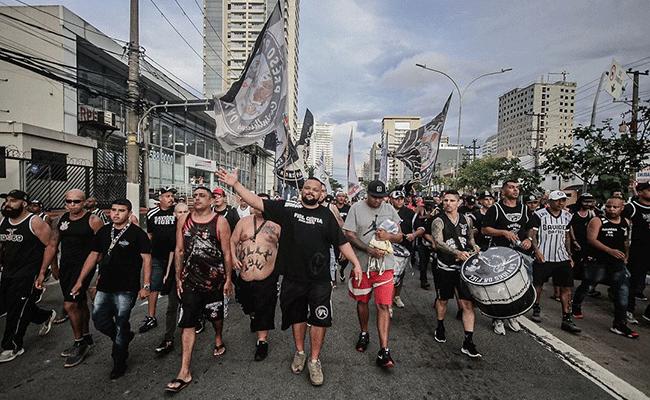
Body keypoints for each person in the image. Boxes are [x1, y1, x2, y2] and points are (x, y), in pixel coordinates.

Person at [217, 169, 362, 386]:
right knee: (297, 316)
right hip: (294, 279)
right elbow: (256, 201)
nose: (311, 192)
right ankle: (300, 352)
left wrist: (356, 264)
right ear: (301, 191)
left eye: (315, 189)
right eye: (307, 188)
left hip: (320, 281)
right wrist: (235, 184)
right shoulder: (287, 209)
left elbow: (341, 242)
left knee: (319, 319)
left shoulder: (327, 216)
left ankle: (314, 360)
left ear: (322, 194)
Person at [71, 198, 152, 379]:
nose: (116, 213)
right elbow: (93, 255)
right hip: (104, 286)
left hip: (127, 288)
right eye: (113, 210)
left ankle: (119, 361)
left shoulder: (137, 234)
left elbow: (147, 259)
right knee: (99, 321)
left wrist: (146, 286)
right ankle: (123, 335)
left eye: (121, 210)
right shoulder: (103, 231)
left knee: (121, 322)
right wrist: (80, 281)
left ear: (129, 213)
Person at [165, 187, 233, 393]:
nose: (197, 198)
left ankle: (218, 336)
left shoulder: (220, 221)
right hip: (190, 281)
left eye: (202, 195)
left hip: (214, 281)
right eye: (194, 196)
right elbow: (179, 250)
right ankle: (184, 371)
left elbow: (227, 253)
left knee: (215, 317)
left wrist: (229, 279)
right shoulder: (183, 220)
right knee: (188, 323)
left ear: (212, 200)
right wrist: (178, 278)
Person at [344, 180, 402, 368]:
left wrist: (389, 237)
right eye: (374, 197)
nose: (378, 201)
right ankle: (364, 332)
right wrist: (367, 248)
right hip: (362, 265)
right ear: (367, 194)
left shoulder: (390, 209)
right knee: (362, 302)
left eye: (381, 197)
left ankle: (384, 350)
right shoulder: (355, 208)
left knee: (384, 305)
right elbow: (349, 234)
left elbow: (399, 235)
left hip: (385, 266)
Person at [0, 190, 57, 363]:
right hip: (8, 271)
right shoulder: (4, 220)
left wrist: (41, 273)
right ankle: (45, 316)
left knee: (17, 310)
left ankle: (12, 345)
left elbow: (50, 246)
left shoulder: (34, 221)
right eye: (7, 201)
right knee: (12, 304)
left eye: (13, 201)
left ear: (24, 203)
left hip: (28, 273)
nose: (8, 204)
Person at [50, 189, 104, 367]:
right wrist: (51, 267)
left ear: (83, 202)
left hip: (84, 269)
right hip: (66, 268)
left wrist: (100, 275)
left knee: (70, 304)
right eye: (69, 201)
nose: (72, 205)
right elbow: (53, 244)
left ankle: (79, 343)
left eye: (77, 201)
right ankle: (87, 336)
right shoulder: (60, 220)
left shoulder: (94, 220)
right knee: (80, 303)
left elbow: (102, 249)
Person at [571, 197, 638, 339]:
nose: (611, 209)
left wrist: (626, 256)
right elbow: (592, 239)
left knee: (622, 291)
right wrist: (609, 251)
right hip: (597, 261)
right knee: (588, 285)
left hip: (617, 263)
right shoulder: (597, 221)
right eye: (609, 206)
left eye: (615, 207)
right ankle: (575, 306)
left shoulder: (625, 222)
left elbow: (626, 241)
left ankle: (619, 323)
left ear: (621, 208)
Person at [431, 190, 482, 358]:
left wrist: (474, 247)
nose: (448, 203)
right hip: (445, 266)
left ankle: (468, 341)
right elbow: (438, 243)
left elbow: (470, 238)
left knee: (467, 304)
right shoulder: (438, 221)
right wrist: (456, 253)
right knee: (443, 299)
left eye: (452, 200)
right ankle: (440, 325)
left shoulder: (466, 219)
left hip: (463, 268)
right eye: (445, 200)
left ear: (458, 202)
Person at [230, 193, 281, 361]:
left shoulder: (276, 225)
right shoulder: (243, 223)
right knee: (247, 304)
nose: (258, 206)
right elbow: (233, 241)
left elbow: (287, 246)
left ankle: (262, 341)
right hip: (244, 275)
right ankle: (253, 315)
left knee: (265, 307)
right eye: (255, 203)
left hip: (266, 275)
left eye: (262, 203)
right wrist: (234, 258)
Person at [481, 179, 532, 335]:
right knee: (500, 289)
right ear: (503, 191)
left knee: (518, 287)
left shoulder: (524, 209)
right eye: (511, 187)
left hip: (520, 254)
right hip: (499, 254)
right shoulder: (495, 209)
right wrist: (503, 232)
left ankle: (513, 316)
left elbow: (531, 228)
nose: (515, 190)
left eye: (517, 188)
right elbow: (484, 230)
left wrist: (528, 239)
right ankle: (498, 318)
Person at [528, 191, 581, 333]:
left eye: (563, 200)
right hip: (544, 256)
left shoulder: (567, 216)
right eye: (557, 200)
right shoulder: (539, 215)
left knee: (566, 288)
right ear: (550, 201)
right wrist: (537, 251)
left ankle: (567, 318)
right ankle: (536, 307)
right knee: (538, 285)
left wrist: (569, 255)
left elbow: (566, 236)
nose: (561, 203)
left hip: (561, 257)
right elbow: (532, 235)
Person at [140, 187, 177, 335]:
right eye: (167, 196)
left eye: (172, 196)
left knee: (175, 288)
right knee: (154, 286)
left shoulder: (176, 212)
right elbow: (149, 234)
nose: (171, 198)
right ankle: (151, 317)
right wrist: (146, 253)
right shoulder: (152, 213)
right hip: (156, 256)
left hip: (175, 257)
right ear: (160, 198)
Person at [154, 202, 189, 355]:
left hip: (193, 273)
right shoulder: (171, 231)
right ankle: (168, 338)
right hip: (177, 272)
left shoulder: (194, 227)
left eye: (185, 211)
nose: (182, 214)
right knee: (172, 306)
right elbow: (172, 252)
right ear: (174, 214)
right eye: (179, 211)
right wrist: (168, 273)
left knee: (191, 304)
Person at [389, 190, 422, 309]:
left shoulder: (410, 213)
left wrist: (414, 235)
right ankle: (387, 302)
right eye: (396, 198)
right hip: (387, 248)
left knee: (399, 275)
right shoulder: (385, 211)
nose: (399, 201)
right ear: (391, 199)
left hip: (403, 249)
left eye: (401, 198)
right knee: (388, 275)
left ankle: (396, 296)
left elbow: (421, 228)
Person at [624, 182, 650, 323]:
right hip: (637, 251)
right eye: (648, 190)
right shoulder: (631, 208)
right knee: (633, 283)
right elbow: (623, 229)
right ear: (639, 192)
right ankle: (628, 310)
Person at [415, 198, 437, 289]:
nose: (429, 206)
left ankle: (437, 282)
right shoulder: (420, 208)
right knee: (423, 262)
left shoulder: (436, 210)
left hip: (433, 238)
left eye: (430, 204)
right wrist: (426, 217)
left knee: (435, 264)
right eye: (427, 204)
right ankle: (423, 281)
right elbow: (415, 218)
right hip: (422, 238)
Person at [334, 191, 351, 282]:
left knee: (345, 259)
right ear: (336, 197)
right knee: (334, 258)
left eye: (343, 196)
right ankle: (334, 280)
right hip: (334, 236)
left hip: (345, 236)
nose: (341, 198)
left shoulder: (349, 208)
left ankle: (342, 270)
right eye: (339, 196)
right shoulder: (332, 208)